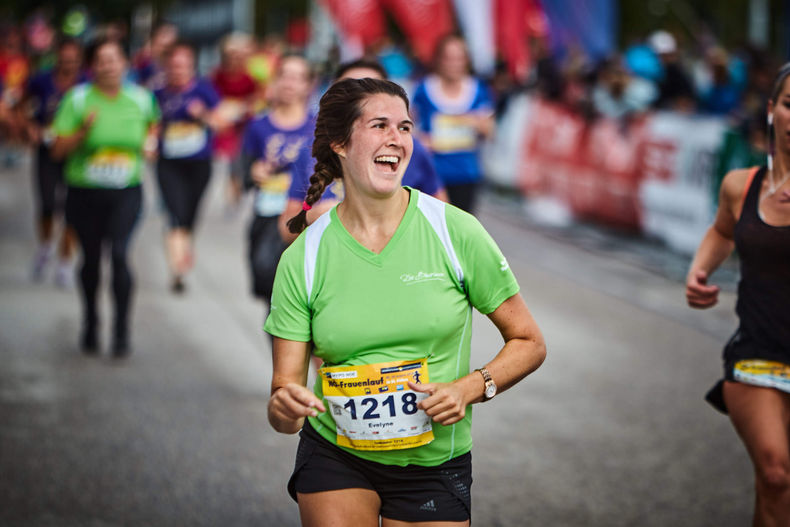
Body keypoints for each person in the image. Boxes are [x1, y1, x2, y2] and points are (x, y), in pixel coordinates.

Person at [264, 78, 546, 526]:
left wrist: (469, 388)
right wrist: (283, 408)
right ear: (340, 142)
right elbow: (285, 398)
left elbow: (529, 341)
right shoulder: (305, 256)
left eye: (406, 127)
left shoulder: (456, 232)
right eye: (379, 125)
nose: (397, 139)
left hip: (433, 464)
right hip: (336, 454)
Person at [686, 63, 790, 525]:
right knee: (775, 474)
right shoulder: (741, 185)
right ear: (772, 111)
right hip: (757, 353)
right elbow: (722, 230)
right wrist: (700, 269)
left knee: (777, 493)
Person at [51, 38, 160, 357]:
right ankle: (90, 320)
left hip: (126, 190)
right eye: (101, 60)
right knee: (92, 259)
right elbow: (57, 150)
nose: (108, 65)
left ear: (124, 63)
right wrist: (82, 133)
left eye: (114, 59)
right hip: (84, 191)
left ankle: (122, 330)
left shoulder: (140, 99)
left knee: (120, 255)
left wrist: (151, 142)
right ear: (92, 66)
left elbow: (153, 127)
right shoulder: (78, 99)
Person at [279, 58, 447, 244]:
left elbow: (444, 223)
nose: (362, 100)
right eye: (350, 92)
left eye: (373, 91)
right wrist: (314, 217)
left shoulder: (410, 149)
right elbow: (286, 229)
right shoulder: (310, 151)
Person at [241, 54, 315, 313]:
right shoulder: (258, 125)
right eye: (284, 75)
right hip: (266, 213)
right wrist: (253, 171)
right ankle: (282, 344)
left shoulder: (318, 127)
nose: (289, 83)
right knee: (267, 285)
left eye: (297, 77)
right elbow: (242, 169)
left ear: (308, 85)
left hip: (303, 216)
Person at [154, 41, 221, 293]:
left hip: (199, 164)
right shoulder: (158, 94)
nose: (178, 70)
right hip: (169, 164)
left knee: (190, 217)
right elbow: (151, 125)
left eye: (183, 66)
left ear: (192, 67)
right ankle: (178, 272)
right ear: (166, 67)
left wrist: (202, 114)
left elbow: (220, 123)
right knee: (175, 214)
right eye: (173, 65)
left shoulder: (204, 90)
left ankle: (182, 251)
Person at [22, 38, 83, 286]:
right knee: (47, 204)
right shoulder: (41, 80)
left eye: (73, 60)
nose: (67, 64)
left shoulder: (86, 85)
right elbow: (22, 105)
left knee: (72, 211)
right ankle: (46, 245)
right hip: (47, 151)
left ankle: (65, 262)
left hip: (76, 153)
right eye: (63, 59)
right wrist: (30, 128)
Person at [411, 34, 495, 214]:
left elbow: (490, 131)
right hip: (431, 174)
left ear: (466, 60)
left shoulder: (478, 90)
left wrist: (475, 123)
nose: (453, 63)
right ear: (439, 60)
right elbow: (407, 124)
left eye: (458, 58)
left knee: (460, 232)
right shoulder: (424, 89)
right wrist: (419, 140)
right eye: (448, 58)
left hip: (466, 173)